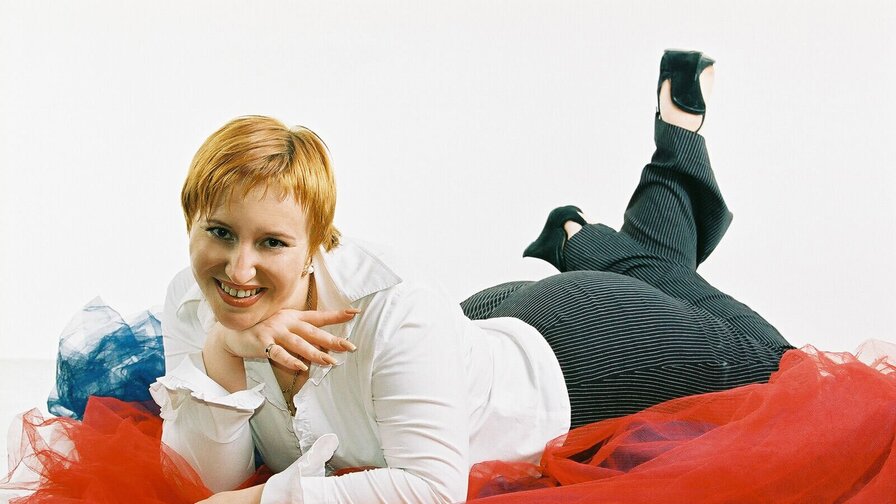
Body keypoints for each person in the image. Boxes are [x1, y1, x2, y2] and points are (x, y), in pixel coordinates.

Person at [148, 49, 793, 503]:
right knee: (662, 271)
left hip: (584, 353)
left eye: (272, 242)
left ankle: (601, 229)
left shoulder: (393, 306)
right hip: (474, 329)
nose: (238, 269)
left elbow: (432, 491)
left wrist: (264, 503)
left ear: (317, 243)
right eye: (219, 232)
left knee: (785, 369)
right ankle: (589, 236)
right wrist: (225, 347)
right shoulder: (192, 301)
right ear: (190, 219)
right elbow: (207, 481)